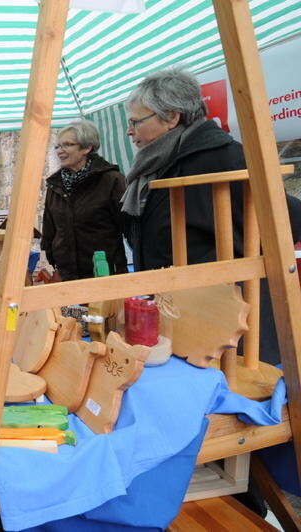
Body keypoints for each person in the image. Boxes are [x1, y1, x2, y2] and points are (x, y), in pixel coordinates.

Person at [121, 67, 301, 364]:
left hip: (228, 325)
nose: (130, 131)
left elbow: (284, 219)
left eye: (136, 122)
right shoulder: (161, 162)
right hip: (183, 313)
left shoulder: (220, 157)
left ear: (172, 117)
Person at [41, 119, 127, 280]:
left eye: (67, 145)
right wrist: (54, 262)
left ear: (87, 147)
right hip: (67, 275)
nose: (60, 151)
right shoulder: (55, 185)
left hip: (105, 273)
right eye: (58, 146)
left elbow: (129, 227)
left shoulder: (111, 180)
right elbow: (49, 229)